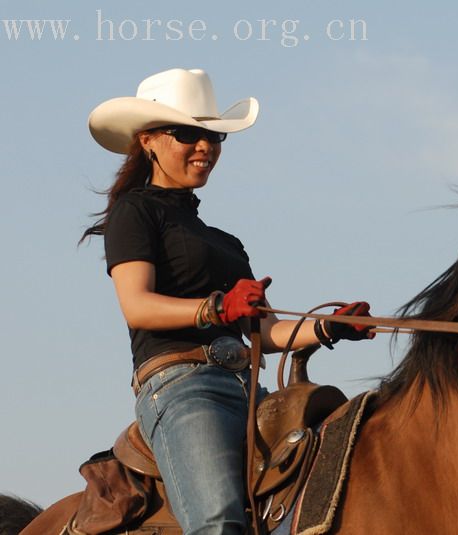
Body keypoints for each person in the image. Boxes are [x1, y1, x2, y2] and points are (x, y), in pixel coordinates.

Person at [83, 68, 374, 535]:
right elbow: (136, 305)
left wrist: (328, 326)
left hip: (249, 388)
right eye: (189, 134)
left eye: (214, 135)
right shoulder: (135, 212)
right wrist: (216, 309)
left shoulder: (226, 242)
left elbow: (267, 331)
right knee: (219, 523)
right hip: (181, 387)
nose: (206, 147)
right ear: (149, 141)